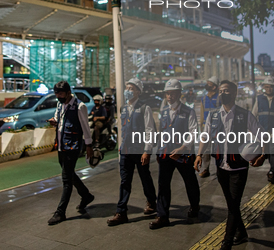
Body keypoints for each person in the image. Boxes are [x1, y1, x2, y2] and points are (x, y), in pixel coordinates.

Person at [195, 80, 266, 250]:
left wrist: (263, 154)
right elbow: (205, 137)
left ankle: (227, 241)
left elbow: (262, 134)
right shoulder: (213, 116)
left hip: (239, 167)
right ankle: (241, 233)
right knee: (232, 204)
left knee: (233, 204)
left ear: (234, 94)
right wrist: (199, 155)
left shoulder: (245, 114)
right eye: (220, 91)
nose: (222, 94)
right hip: (221, 166)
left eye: (226, 91)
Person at [149, 78, 200, 229]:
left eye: (172, 93)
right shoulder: (163, 112)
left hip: (183, 154)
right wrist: (159, 151)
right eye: (167, 94)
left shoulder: (188, 111)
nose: (169, 97)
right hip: (166, 154)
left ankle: (195, 207)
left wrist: (183, 148)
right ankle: (162, 216)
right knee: (163, 185)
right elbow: (162, 132)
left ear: (179, 94)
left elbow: (193, 132)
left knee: (190, 182)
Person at [107, 78, 157, 226]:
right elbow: (122, 130)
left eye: (131, 88)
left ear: (138, 92)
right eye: (127, 88)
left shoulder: (144, 108)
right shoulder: (123, 108)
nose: (128, 91)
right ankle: (121, 212)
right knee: (124, 182)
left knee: (145, 177)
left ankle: (152, 201)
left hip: (140, 150)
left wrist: (147, 151)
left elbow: (150, 130)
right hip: (126, 151)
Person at [47, 81, 95, 225]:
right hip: (61, 145)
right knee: (68, 173)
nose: (58, 96)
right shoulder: (60, 104)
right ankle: (86, 195)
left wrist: (88, 146)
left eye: (60, 93)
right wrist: (54, 121)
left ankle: (60, 212)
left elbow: (86, 127)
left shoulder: (80, 107)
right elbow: (57, 117)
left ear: (68, 92)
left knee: (66, 179)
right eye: (56, 94)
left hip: (73, 146)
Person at [198, 76, 219, 178]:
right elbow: (202, 112)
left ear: (214, 86)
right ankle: (205, 169)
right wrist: (201, 124)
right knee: (206, 149)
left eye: (209, 83)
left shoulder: (220, 97)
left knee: (218, 148)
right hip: (207, 127)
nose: (207, 85)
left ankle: (220, 168)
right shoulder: (204, 98)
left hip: (218, 127)